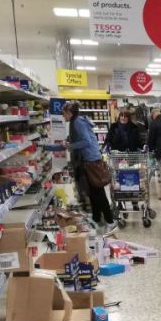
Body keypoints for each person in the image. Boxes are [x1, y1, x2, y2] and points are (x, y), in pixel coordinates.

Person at [64, 100, 116, 234]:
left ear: (69, 112)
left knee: (98, 192)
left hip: (91, 160)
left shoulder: (77, 122)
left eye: (63, 113)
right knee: (93, 192)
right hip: (90, 159)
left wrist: (71, 146)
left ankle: (110, 222)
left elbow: (86, 141)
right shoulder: (77, 121)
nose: (62, 116)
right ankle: (96, 219)